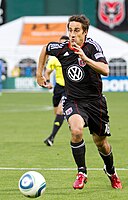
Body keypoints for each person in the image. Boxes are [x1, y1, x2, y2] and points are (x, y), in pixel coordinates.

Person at [36, 15, 122, 189]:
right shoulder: (61, 48)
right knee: (76, 131)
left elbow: (105, 70)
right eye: (70, 30)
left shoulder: (92, 47)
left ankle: (111, 171)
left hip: (95, 102)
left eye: (76, 30)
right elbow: (45, 48)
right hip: (73, 99)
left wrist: (85, 58)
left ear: (85, 32)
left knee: (101, 144)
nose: (72, 34)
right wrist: (40, 74)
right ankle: (81, 172)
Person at [43, 35, 69, 146]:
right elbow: (47, 72)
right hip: (58, 88)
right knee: (57, 113)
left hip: (69, 88)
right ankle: (73, 117)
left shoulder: (72, 57)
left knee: (60, 111)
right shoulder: (54, 58)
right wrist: (48, 82)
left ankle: (51, 138)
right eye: (60, 44)